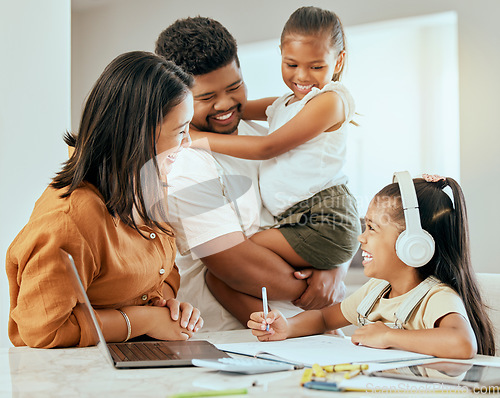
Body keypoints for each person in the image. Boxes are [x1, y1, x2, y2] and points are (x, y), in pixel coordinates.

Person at [155, 16, 348, 331]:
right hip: (235, 340)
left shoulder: (260, 131)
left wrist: (334, 267)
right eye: (206, 98)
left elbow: (326, 195)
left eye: (234, 87)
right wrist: (317, 293)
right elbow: (233, 264)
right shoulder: (184, 164)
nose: (226, 104)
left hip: (309, 334)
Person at [6, 51, 203, 348]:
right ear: (139, 134)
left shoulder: (147, 186)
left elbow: (158, 276)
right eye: (180, 131)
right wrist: (144, 320)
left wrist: (167, 308)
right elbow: (43, 331)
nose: (188, 142)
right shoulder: (69, 218)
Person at [248, 173, 496, 359]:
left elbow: (462, 343)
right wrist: (287, 327)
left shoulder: (436, 297)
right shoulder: (376, 291)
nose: (361, 237)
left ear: (413, 244)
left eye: (373, 228)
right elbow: (324, 318)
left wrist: (388, 335)